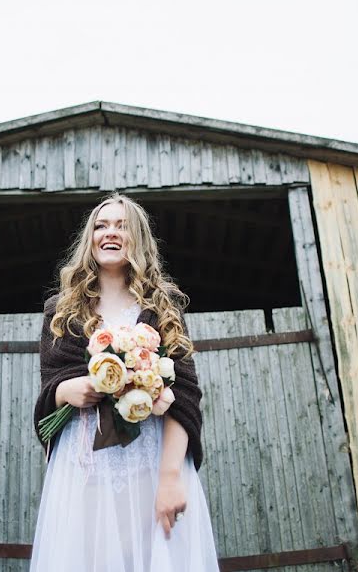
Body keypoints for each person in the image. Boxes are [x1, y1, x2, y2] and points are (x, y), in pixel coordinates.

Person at [30, 193, 219, 571]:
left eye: (121, 226)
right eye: (101, 226)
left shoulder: (163, 307)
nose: (109, 233)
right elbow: (52, 383)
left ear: (138, 239)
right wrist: (70, 390)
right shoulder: (62, 310)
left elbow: (183, 397)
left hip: (150, 461)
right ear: (90, 238)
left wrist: (170, 479)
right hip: (84, 467)